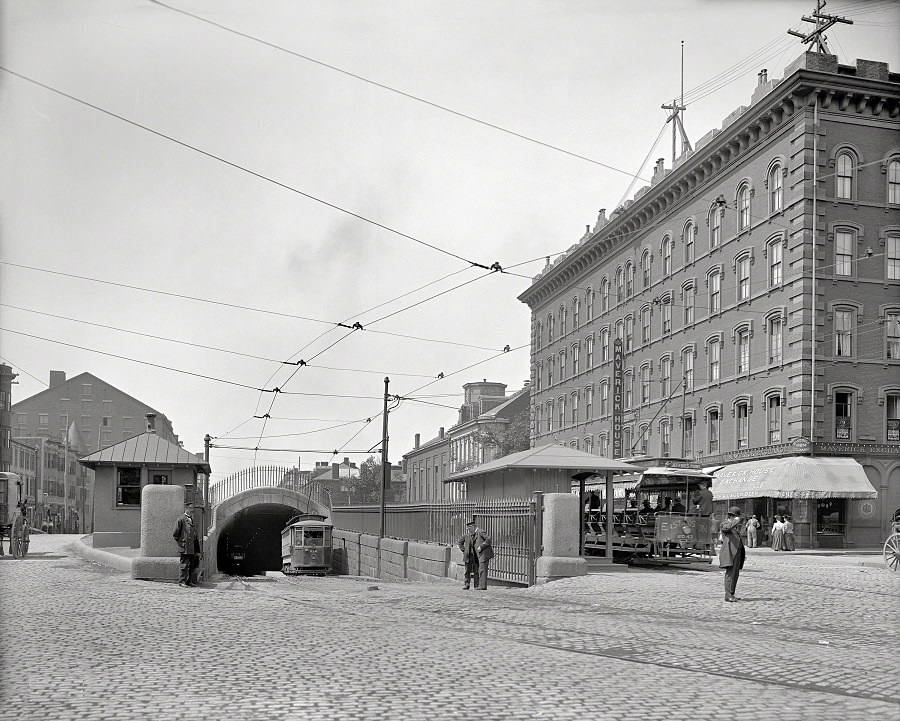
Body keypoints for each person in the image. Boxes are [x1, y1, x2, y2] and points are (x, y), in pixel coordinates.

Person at [718, 506, 746, 602]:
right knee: (730, 574)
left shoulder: (735, 527)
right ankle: (728, 595)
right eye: (737, 516)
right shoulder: (725, 524)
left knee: (735, 574)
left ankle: (732, 594)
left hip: (737, 553)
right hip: (729, 553)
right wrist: (736, 521)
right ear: (732, 516)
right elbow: (727, 528)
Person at [457, 517, 493, 590]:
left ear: (473, 527)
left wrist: (481, 546)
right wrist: (464, 550)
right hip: (468, 555)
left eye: (469, 528)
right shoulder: (467, 535)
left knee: (478, 570)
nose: (468, 530)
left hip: (477, 556)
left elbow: (488, 539)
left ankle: (478, 585)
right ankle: (467, 584)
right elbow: (460, 543)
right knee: (467, 571)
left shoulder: (480, 532)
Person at [172, 502, 201, 587]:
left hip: (192, 546)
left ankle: (188, 581)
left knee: (191, 565)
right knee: (184, 564)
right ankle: (182, 581)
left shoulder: (191, 519)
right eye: (191, 508)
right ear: (186, 508)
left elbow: (194, 534)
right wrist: (182, 542)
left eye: (193, 509)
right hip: (185, 546)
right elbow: (175, 534)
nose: (192, 510)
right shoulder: (180, 520)